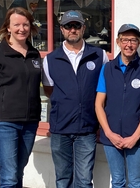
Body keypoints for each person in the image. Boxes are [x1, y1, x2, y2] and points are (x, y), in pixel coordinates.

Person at [42, 10, 109, 188]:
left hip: (87, 128)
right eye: (68, 26)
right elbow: (50, 90)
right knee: (63, 179)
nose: (73, 30)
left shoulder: (99, 55)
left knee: (84, 181)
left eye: (76, 25)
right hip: (60, 127)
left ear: (83, 28)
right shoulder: (50, 59)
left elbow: (104, 90)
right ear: (62, 29)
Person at [0, 7, 41, 188]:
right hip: (3, 122)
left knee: (18, 171)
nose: (22, 29)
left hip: (29, 122)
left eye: (26, 24)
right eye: (17, 25)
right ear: (8, 27)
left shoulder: (34, 54)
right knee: (9, 176)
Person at [95, 24, 140, 188]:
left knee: (136, 183)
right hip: (111, 135)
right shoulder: (107, 69)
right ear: (117, 42)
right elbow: (98, 104)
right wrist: (108, 133)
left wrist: (135, 137)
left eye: (133, 40)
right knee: (117, 181)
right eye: (125, 40)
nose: (129, 44)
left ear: (138, 43)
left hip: (137, 137)